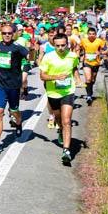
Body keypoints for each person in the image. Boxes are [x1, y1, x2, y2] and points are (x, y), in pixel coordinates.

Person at [39, 34, 83, 165]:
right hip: (53, 93)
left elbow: (74, 68)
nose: (60, 48)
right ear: (54, 45)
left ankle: (66, 151)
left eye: (63, 45)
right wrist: (56, 77)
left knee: (67, 121)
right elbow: (42, 76)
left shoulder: (73, 56)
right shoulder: (48, 57)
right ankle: (60, 130)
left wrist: (78, 79)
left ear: (67, 44)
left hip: (68, 91)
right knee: (58, 119)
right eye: (57, 45)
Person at [0, 24, 30, 154]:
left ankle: (18, 122)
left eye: (9, 33)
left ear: (14, 34)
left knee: (14, 111)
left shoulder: (18, 48)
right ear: (1, 33)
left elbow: (30, 56)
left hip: (13, 85)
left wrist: (31, 54)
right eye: (4, 33)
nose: (7, 35)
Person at [79, 28, 107, 105]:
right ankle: (89, 96)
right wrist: (80, 55)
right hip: (86, 62)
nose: (91, 35)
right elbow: (79, 49)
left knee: (92, 80)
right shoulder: (83, 40)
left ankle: (90, 92)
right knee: (88, 79)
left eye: (93, 34)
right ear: (87, 34)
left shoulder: (99, 41)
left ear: (95, 34)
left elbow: (105, 50)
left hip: (96, 63)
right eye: (90, 34)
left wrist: (100, 53)